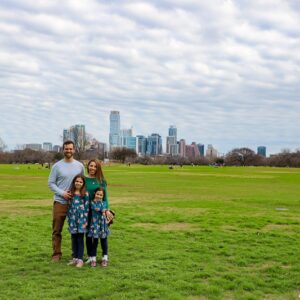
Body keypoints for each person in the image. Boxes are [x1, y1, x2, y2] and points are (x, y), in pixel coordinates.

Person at [48, 140, 85, 262]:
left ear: (74, 150)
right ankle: (56, 253)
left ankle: (76, 254)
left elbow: (83, 182)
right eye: (66, 148)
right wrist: (62, 193)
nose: (68, 150)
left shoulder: (79, 166)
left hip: (76, 203)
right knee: (57, 229)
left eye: (70, 148)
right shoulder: (57, 166)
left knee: (77, 230)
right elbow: (51, 183)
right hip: (60, 202)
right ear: (63, 150)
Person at [85, 159, 112, 267]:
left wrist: (107, 210)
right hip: (87, 210)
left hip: (100, 212)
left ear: (98, 168)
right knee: (88, 234)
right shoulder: (84, 179)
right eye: (91, 166)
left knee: (101, 236)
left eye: (95, 166)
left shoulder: (101, 181)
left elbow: (105, 198)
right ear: (88, 166)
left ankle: (104, 257)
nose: (92, 168)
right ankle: (90, 256)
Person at [67, 175, 89, 268]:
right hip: (73, 219)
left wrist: (85, 221)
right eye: (77, 181)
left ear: (83, 184)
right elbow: (69, 206)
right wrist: (69, 218)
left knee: (80, 239)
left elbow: (87, 208)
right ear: (74, 182)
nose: (78, 183)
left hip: (81, 220)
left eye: (80, 182)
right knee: (74, 238)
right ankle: (75, 258)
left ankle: (80, 259)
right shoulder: (71, 193)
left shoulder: (85, 194)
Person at [87, 187, 110, 267]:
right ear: (94, 194)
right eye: (97, 194)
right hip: (95, 224)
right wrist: (104, 210)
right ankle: (93, 258)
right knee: (95, 242)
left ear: (103, 196)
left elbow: (104, 209)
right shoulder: (92, 202)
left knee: (104, 241)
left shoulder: (104, 203)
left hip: (102, 225)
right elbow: (98, 209)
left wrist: (105, 210)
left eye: (101, 195)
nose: (99, 196)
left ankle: (105, 257)